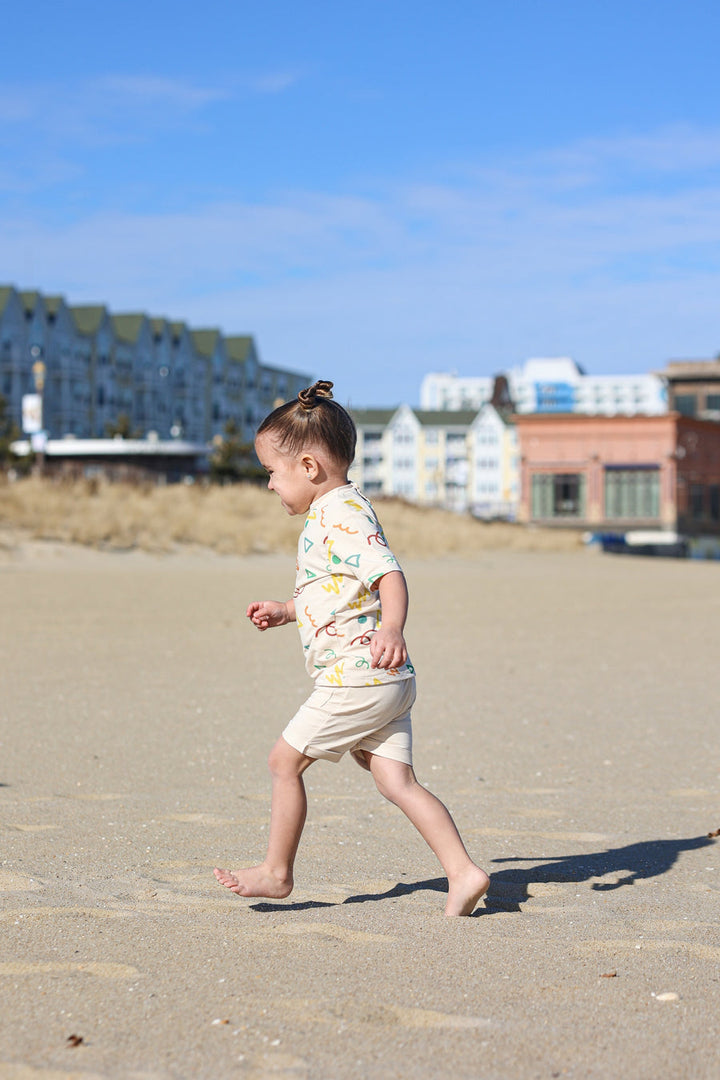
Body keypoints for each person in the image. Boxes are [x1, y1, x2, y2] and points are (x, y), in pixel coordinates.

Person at [214, 380, 489, 916]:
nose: (269, 485)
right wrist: (288, 610)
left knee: (282, 763)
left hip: (358, 675)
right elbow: (339, 592)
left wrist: (392, 627)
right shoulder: (333, 513)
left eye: (272, 472)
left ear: (310, 467)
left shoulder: (342, 514)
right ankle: (464, 871)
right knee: (396, 780)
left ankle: (276, 872)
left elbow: (388, 574)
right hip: (388, 680)